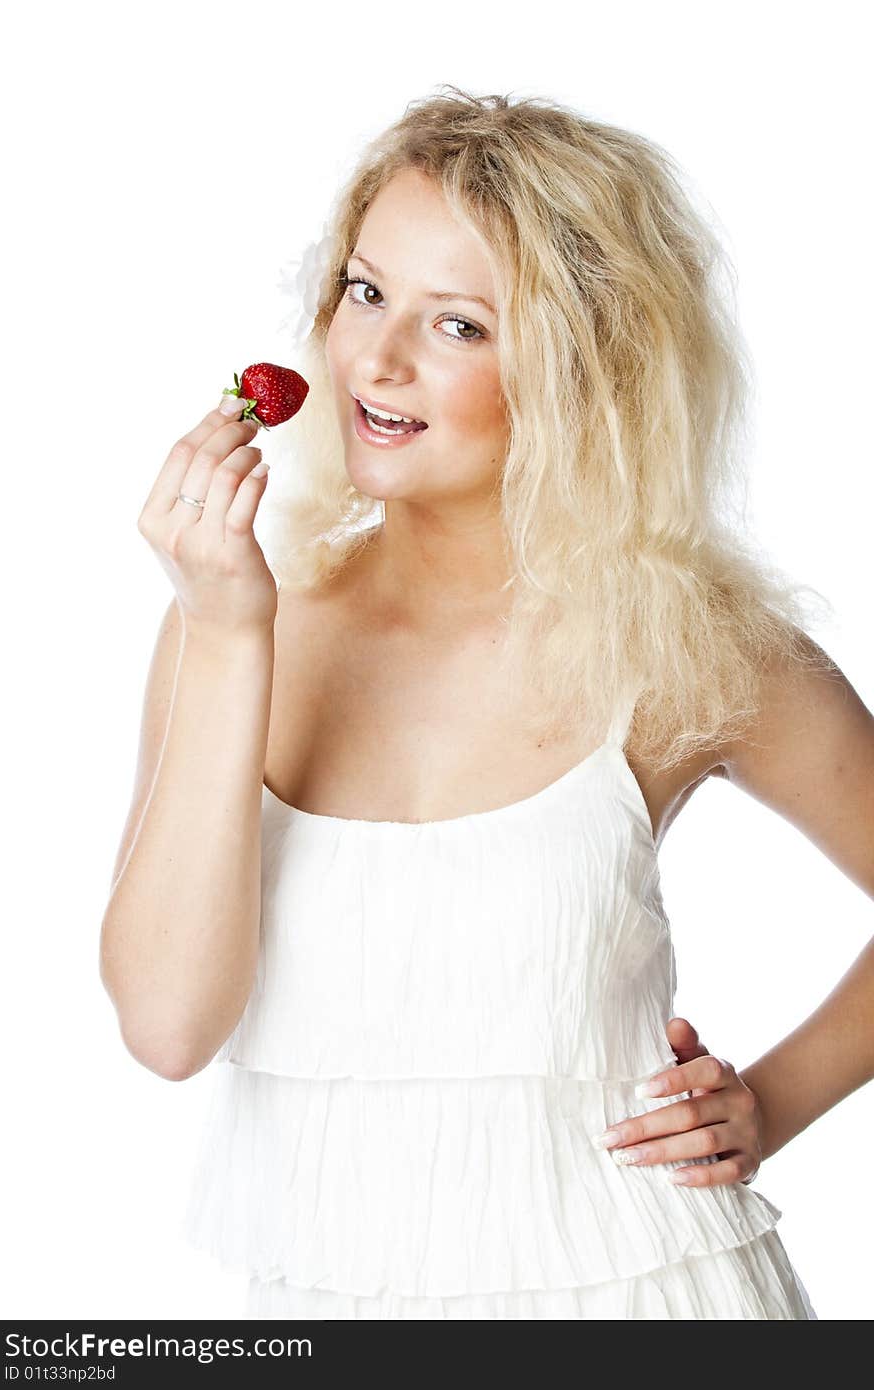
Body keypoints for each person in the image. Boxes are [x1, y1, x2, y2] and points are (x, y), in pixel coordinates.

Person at [99, 86, 873, 1320]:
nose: (376, 358)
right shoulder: (237, 620)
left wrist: (773, 1100)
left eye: (457, 325)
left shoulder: (685, 650)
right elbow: (166, 1027)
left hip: (643, 1299)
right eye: (365, 291)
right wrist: (232, 632)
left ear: (582, 367)